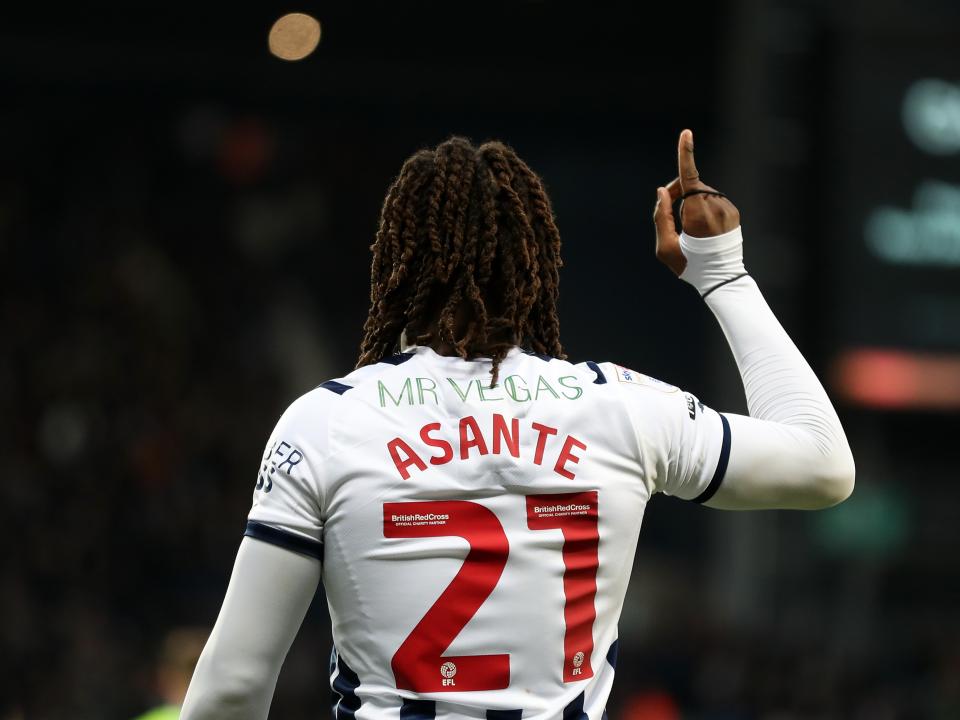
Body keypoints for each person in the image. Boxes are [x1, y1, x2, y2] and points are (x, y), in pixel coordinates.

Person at [180, 130, 855, 719]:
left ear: (394, 262)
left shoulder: (327, 420)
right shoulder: (620, 407)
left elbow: (235, 686)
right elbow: (826, 465)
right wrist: (725, 278)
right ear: (537, 263)